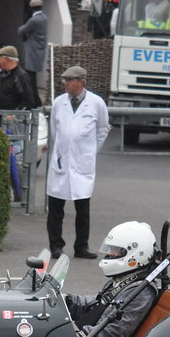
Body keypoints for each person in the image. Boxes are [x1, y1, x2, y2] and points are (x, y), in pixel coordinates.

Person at [46, 65, 110, 260]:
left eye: (69, 80)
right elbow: (54, 130)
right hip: (61, 161)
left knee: (82, 208)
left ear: (81, 82)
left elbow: (102, 129)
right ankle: (55, 246)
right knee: (55, 208)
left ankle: (81, 246)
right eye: (64, 80)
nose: (65, 84)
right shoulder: (59, 103)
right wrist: (64, 148)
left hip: (83, 162)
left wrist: (89, 151)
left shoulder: (96, 103)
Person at [65, 221, 160, 337]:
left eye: (115, 250)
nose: (110, 254)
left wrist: (76, 336)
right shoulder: (123, 278)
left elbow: (112, 335)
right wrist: (66, 300)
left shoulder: (141, 291)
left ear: (136, 253)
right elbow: (98, 302)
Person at [0, 45, 40, 111]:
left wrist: (14, 116)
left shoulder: (21, 76)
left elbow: (28, 101)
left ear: (7, 59)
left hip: (11, 119)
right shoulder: (2, 74)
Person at [18, 0, 48, 91]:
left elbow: (21, 31)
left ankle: (33, 100)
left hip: (33, 50)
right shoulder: (44, 18)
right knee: (32, 77)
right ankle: (35, 100)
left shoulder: (34, 20)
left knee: (30, 77)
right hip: (39, 49)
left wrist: (25, 31)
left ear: (31, 8)